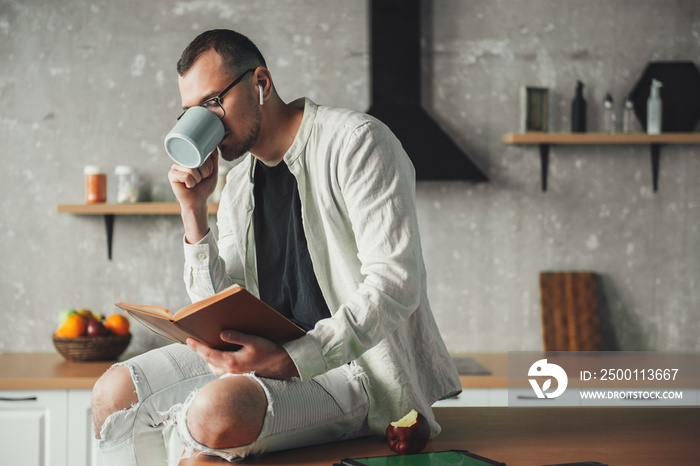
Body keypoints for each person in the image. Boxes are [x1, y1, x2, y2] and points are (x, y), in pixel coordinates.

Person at [91, 28, 461, 465]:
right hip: (265, 354)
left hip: (354, 368)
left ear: (260, 84)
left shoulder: (357, 142)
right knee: (114, 391)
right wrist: (194, 212)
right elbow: (219, 307)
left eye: (213, 103)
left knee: (215, 410)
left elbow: (396, 283)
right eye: (190, 111)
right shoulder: (235, 187)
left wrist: (294, 358)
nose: (205, 123)